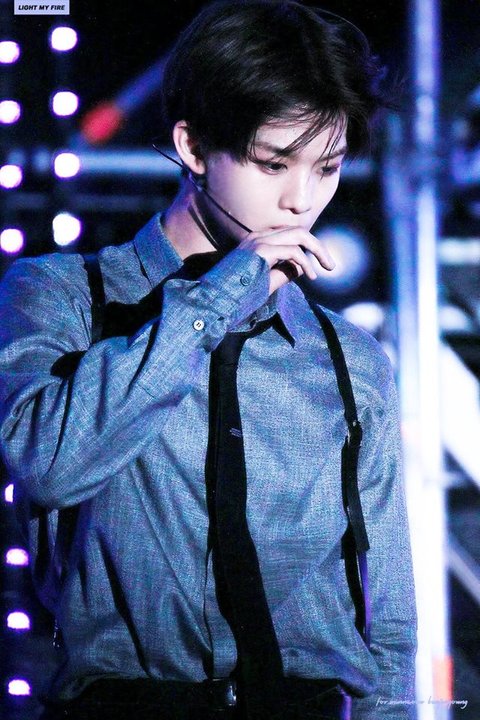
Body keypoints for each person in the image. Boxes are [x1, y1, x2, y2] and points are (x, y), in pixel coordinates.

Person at [0, 1, 417, 719]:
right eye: (273, 163)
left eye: (327, 167)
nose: (301, 200)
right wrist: (219, 295)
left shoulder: (350, 361)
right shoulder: (61, 296)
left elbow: (388, 623)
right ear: (193, 148)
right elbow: (48, 464)